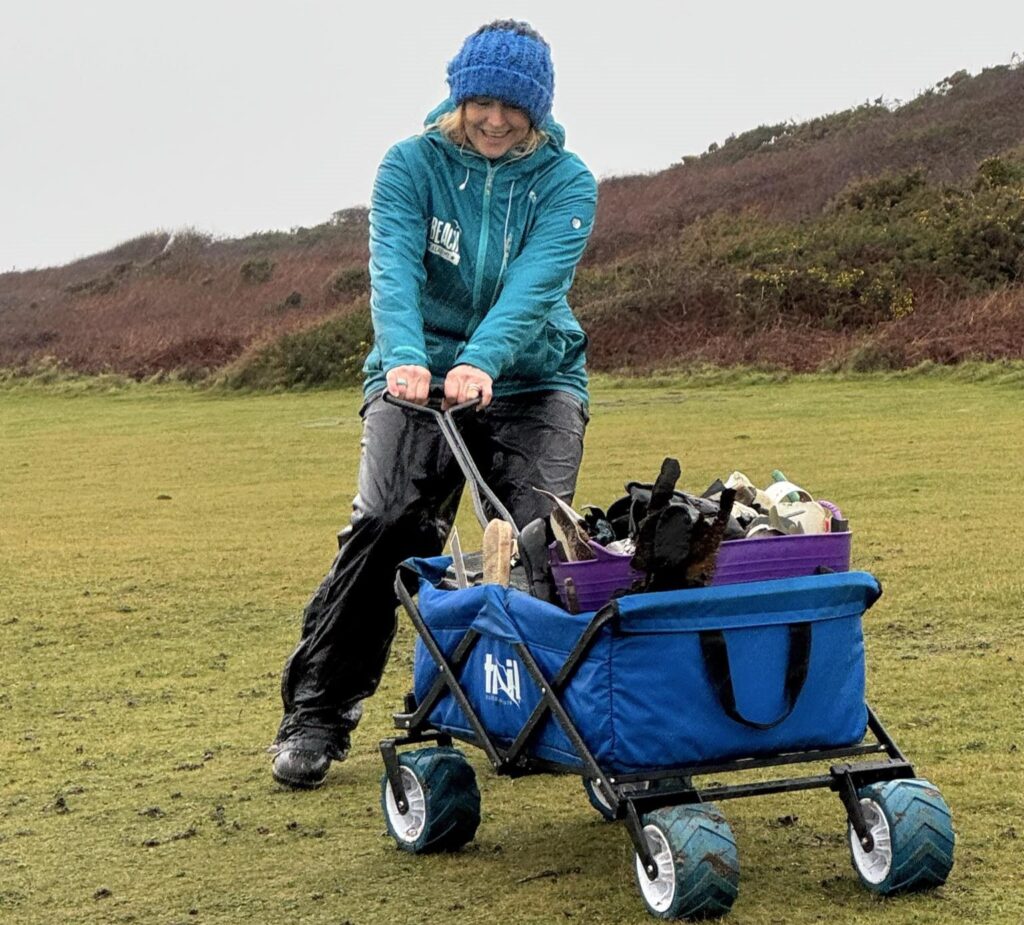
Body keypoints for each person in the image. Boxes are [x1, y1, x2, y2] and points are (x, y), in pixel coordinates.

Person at [270, 19, 598, 788]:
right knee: (388, 527)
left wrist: (484, 359)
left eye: (513, 107)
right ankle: (318, 714)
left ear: (537, 111)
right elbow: (394, 275)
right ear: (458, 97)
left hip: (533, 377)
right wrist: (410, 361)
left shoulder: (567, 181)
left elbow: (536, 285)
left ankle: (533, 710)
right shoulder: (409, 166)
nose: (494, 119)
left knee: (534, 541)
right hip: (413, 377)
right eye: (481, 101)